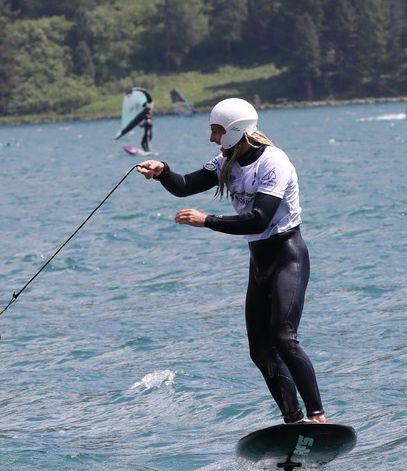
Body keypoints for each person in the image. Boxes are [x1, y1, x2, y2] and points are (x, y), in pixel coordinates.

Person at [137, 98, 326, 426]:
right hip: (259, 263)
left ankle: (318, 418)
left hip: (286, 256)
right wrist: (163, 172)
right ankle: (294, 422)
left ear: (234, 131)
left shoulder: (273, 162)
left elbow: (260, 220)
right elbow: (185, 186)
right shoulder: (227, 161)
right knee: (259, 350)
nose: (212, 138)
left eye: (216, 131)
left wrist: (206, 220)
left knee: (283, 336)